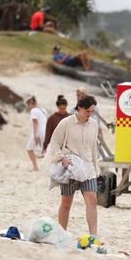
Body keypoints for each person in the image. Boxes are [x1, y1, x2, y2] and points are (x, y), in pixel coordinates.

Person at [47, 95, 100, 235]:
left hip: (88, 169)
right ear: (80, 108)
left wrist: (96, 168)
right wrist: (61, 158)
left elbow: (94, 147)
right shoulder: (67, 123)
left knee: (92, 200)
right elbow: (55, 143)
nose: (90, 114)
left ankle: (93, 235)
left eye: (92, 112)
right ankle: (62, 234)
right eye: (87, 111)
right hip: (70, 168)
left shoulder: (94, 124)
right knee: (66, 203)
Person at [25, 96, 47, 171]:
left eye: (28, 105)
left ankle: (35, 167)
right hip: (46, 131)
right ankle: (47, 167)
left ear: (31, 103)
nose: (28, 107)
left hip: (39, 131)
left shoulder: (33, 110)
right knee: (46, 151)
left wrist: (35, 134)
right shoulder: (43, 110)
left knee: (29, 148)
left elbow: (35, 122)